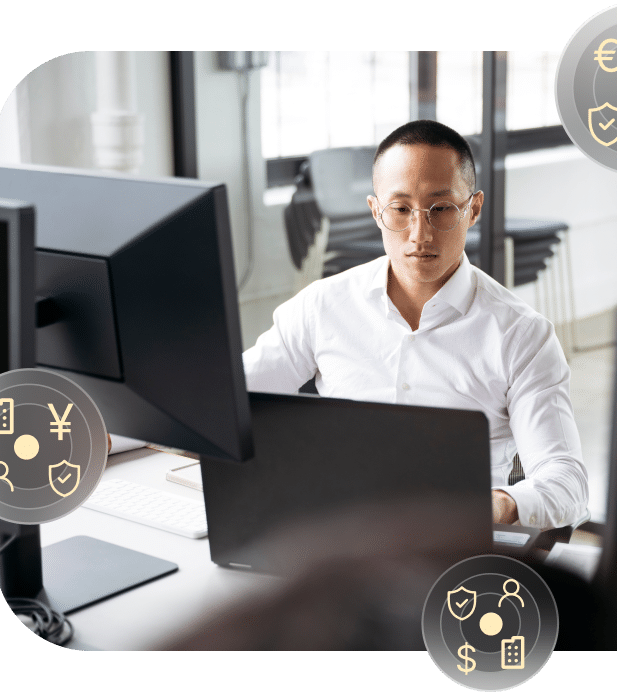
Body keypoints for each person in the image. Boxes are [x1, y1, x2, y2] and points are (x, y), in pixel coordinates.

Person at [243, 120, 587, 529]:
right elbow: (234, 402)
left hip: (450, 544)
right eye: (401, 210)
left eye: (440, 209)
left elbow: (567, 484)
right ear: (376, 212)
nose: (419, 233)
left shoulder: (522, 335)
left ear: (473, 209)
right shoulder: (322, 306)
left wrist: (497, 505)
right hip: (332, 536)